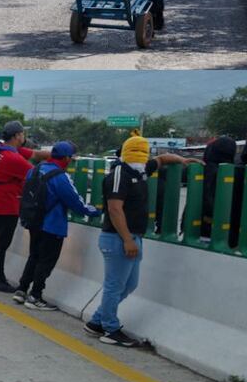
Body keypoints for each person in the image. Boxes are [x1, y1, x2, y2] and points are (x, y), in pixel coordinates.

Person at [84, 135, 197, 346]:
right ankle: (110, 328)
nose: (142, 156)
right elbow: (115, 209)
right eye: (138, 152)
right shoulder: (119, 174)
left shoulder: (141, 170)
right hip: (117, 238)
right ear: (128, 153)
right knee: (114, 286)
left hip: (133, 236)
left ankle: (97, 321)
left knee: (129, 285)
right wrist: (127, 240)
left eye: (144, 152)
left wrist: (181, 160)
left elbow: (162, 159)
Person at [13, 142, 100, 310]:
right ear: (66, 158)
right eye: (71, 158)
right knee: (46, 261)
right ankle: (35, 296)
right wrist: (95, 211)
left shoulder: (35, 170)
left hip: (33, 221)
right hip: (52, 225)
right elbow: (76, 202)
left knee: (34, 256)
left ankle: (21, 290)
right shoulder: (60, 176)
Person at [0, 121, 51, 292]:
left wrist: (51, 154)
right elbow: (37, 174)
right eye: (23, 134)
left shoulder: (1, 149)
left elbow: (35, 154)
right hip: (6, 202)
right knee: (2, 242)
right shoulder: (13, 158)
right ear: (17, 136)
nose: (24, 137)